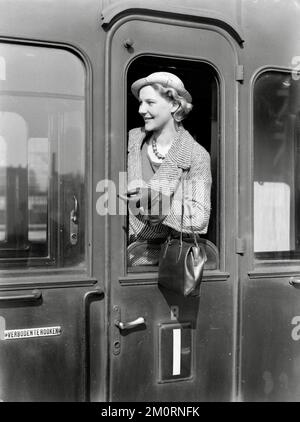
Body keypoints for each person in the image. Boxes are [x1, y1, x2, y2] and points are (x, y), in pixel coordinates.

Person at [124, 71, 212, 266]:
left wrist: (155, 203)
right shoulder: (129, 141)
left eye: (150, 102)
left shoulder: (197, 156)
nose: (141, 109)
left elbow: (199, 217)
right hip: (116, 259)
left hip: (160, 265)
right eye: (140, 102)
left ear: (174, 105)